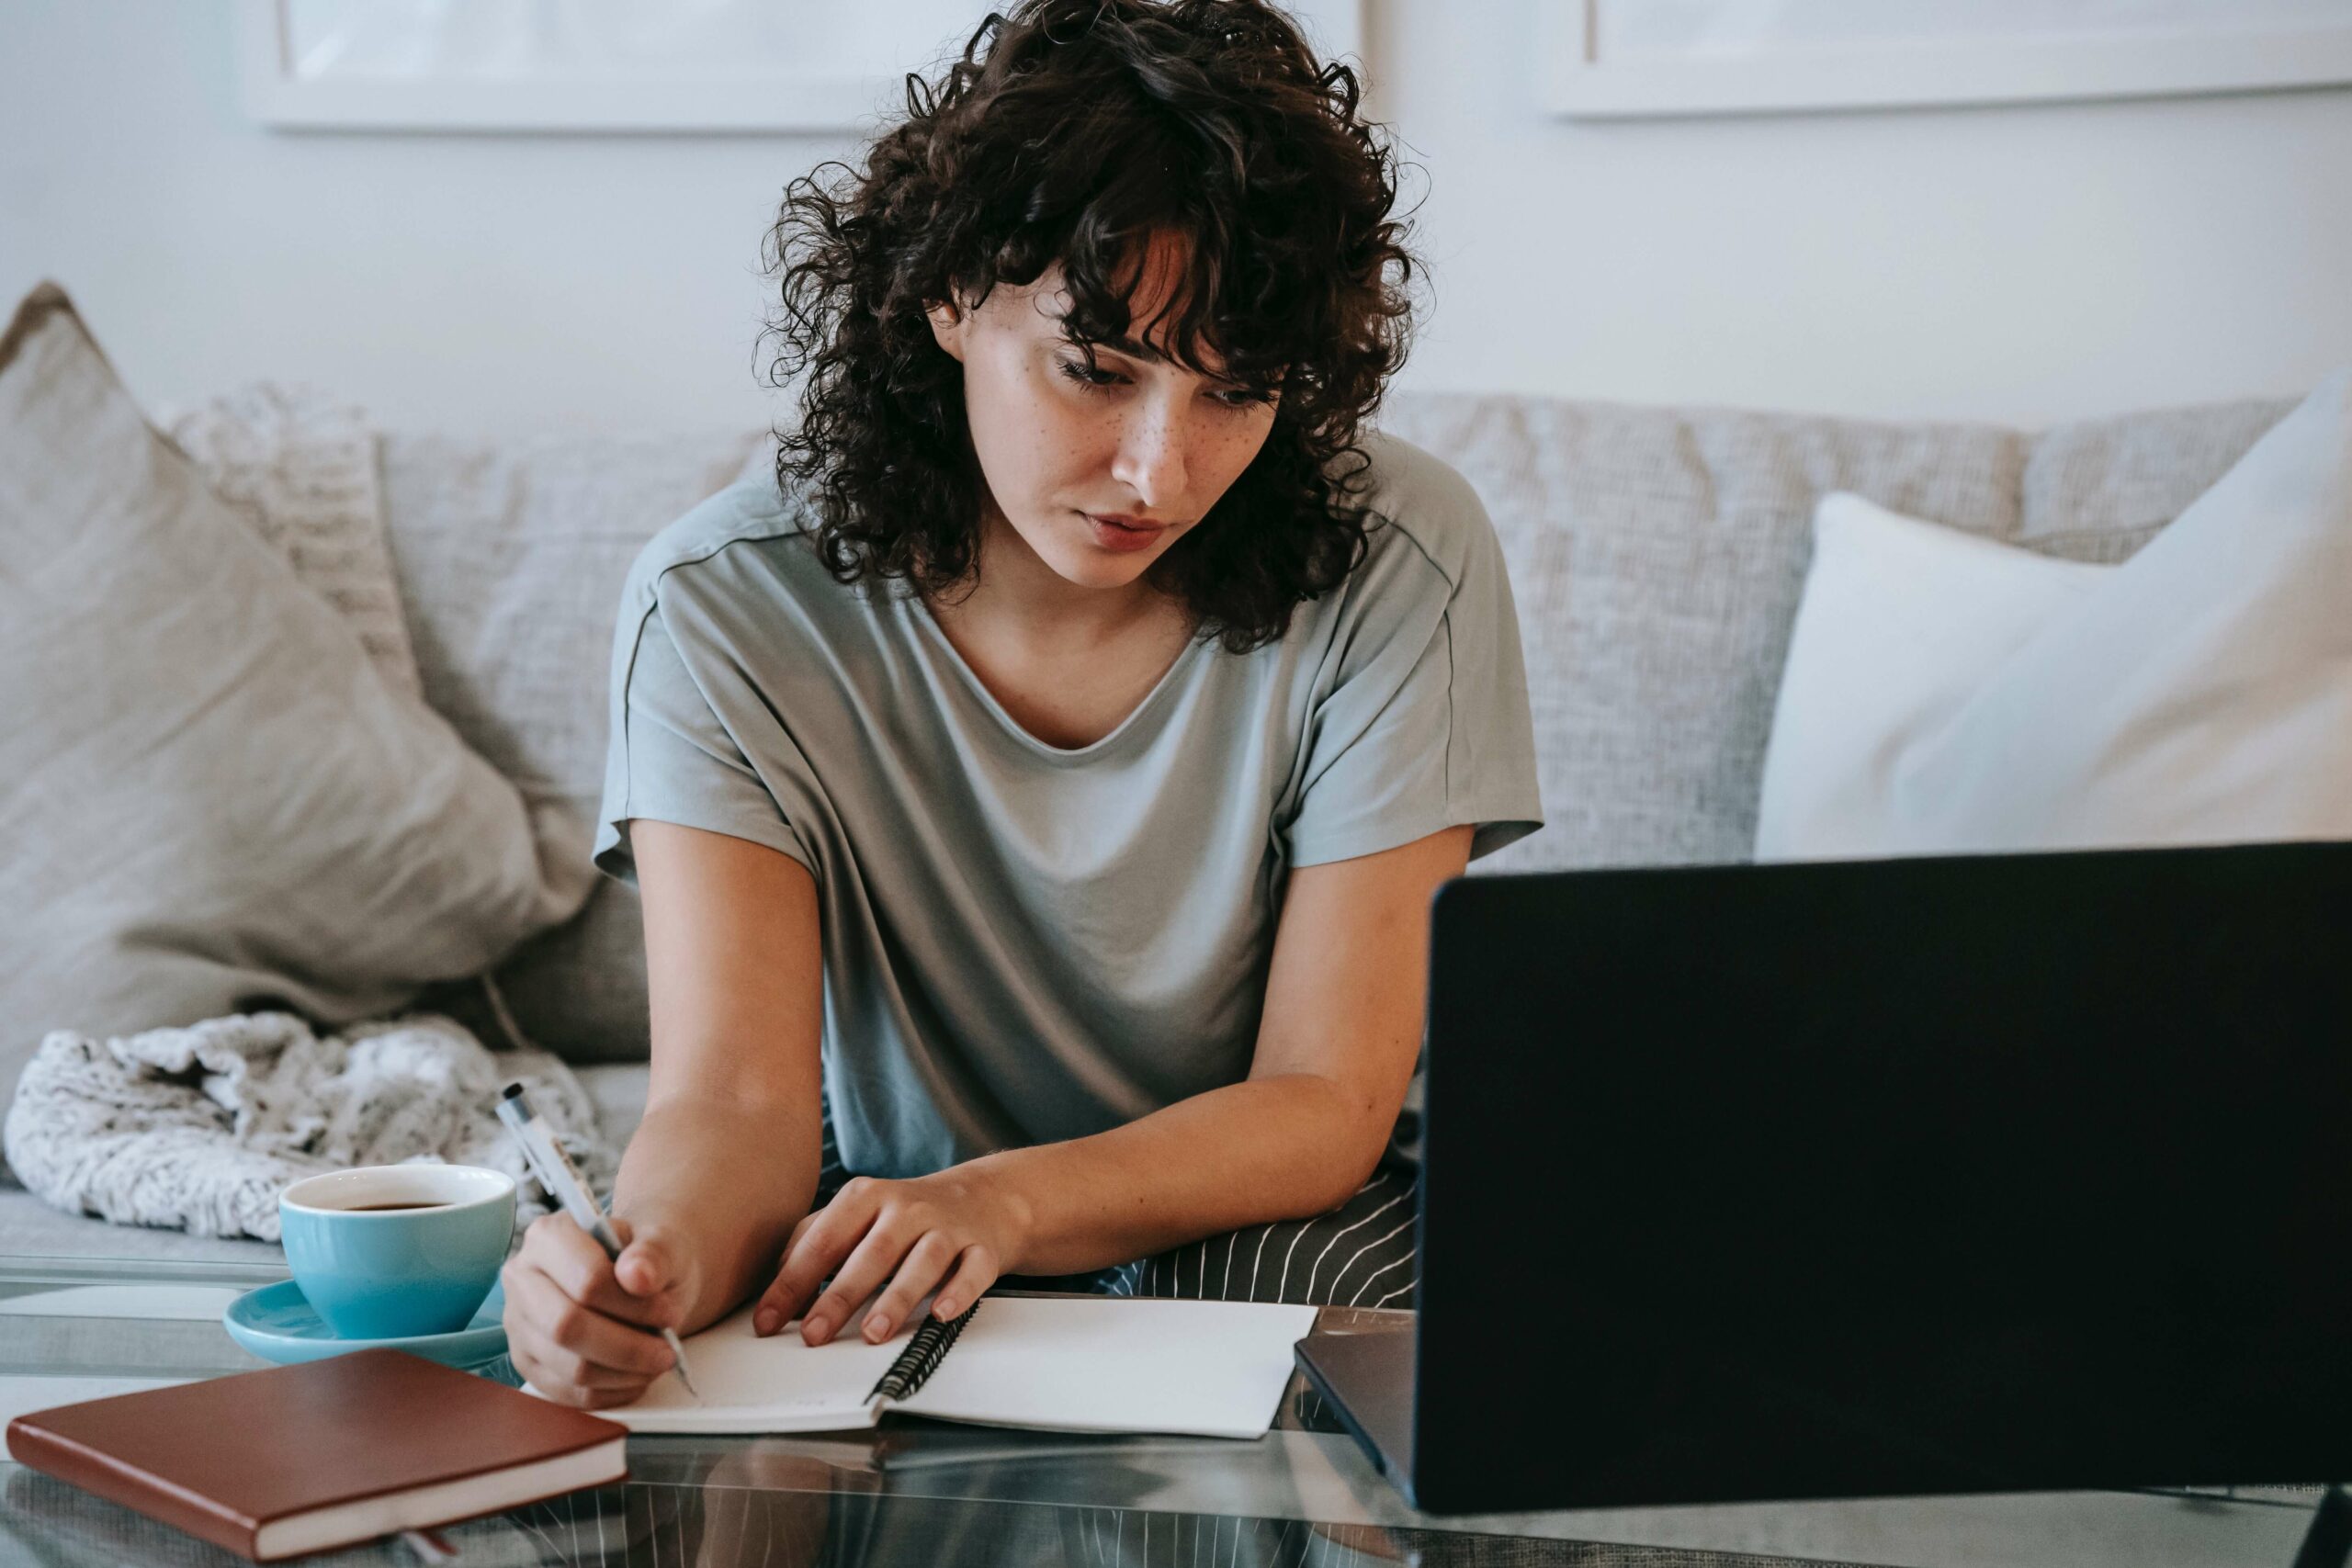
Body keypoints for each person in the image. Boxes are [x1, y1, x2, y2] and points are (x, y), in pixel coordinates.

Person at [503, 0, 1542, 1410]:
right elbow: (735, 1104)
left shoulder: (1401, 558)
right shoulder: (721, 608)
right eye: (1096, 371)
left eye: (1235, 396)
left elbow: (1326, 1103)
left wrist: (1007, 1205)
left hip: (1268, 1213)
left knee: (1252, 1319)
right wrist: (647, 1273)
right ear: (949, 298)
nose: (1156, 475)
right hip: (903, 1204)